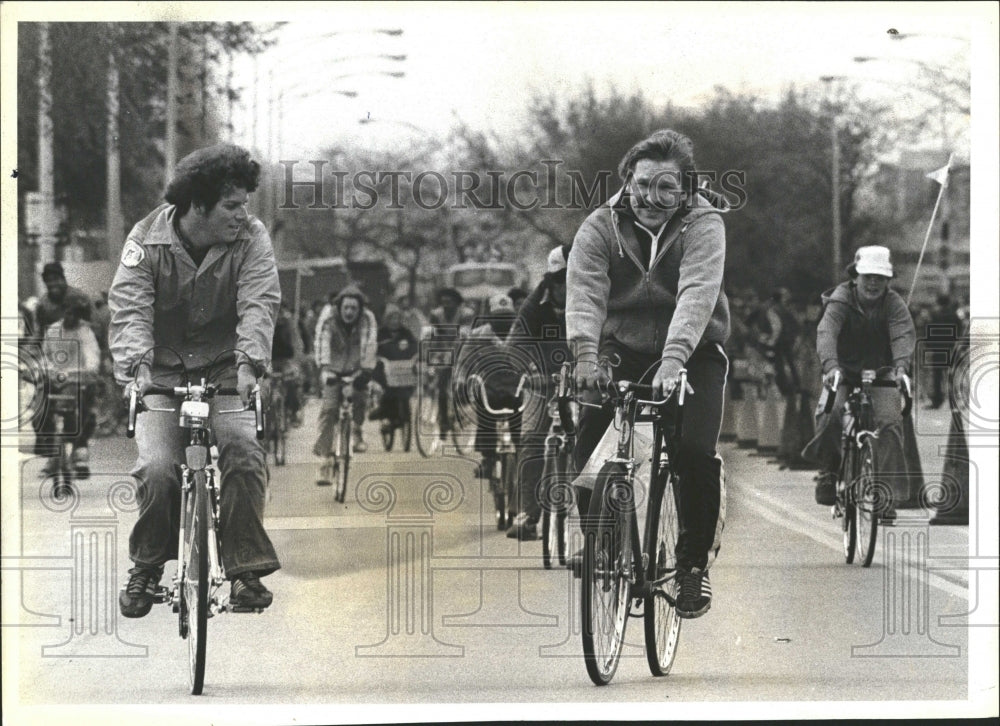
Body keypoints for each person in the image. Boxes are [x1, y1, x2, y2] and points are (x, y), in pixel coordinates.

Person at [110, 143, 281, 618]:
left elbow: (260, 302)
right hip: (160, 373)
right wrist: (139, 369)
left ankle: (245, 568)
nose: (242, 214)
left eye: (245, 203)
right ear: (196, 206)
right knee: (158, 467)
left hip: (229, 368)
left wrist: (249, 365)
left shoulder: (251, 237)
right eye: (232, 205)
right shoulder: (145, 239)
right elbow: (129, 309)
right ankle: (146, 566)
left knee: (244, 453)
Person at [567, 129, 730, 619]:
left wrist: (676, 358)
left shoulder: (705, 223)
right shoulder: (599, 227)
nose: (651, 199)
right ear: (627, 183)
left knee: (694, 453)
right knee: (586, 452)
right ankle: (610, 548)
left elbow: (698, 291)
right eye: (642, 186)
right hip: (622, 349)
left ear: (685, 190)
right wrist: (585, 357)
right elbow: (586, 294)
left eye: (665, 188)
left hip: (693, 350)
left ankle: (690, 567)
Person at [802, 246, 916, 510]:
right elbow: (827, 332)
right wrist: (831, 366)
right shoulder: (840, 300)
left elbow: (902, 335)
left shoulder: (894, 304)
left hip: (881, 371)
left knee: (890, 421)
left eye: (880, 278)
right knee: (829, 414)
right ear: (855, 277)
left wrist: (901, 368)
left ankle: (885, 490)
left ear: (888, 281)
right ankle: (829, 470)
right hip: (842, 370)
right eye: (868, 276)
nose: (873, 283)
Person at [505, 245, 571, 540]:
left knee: (589, 440)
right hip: (540, 379)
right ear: (552, 282)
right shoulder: (533, 305)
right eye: (565, 281)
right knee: (530, 439)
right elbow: (515, 342)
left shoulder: (597, 295)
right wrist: (530, 371)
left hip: (580, 378)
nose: (572, 287)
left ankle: (586, 520)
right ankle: (528, 516)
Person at [455, 294, 523, 484]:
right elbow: (463, 362)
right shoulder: (477, 336)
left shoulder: (521, 333)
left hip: (516, 388)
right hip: (489, 388)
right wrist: (461, 381)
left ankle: (521, 458)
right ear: (490, 318)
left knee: (521, 421)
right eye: (499, 318)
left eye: (507, 318)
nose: (504, 323)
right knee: (486, 416)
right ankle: (488, 459)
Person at [313, 285, 379, 471]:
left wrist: (366, 370)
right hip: (332, 367)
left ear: (360, 310)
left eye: (354, 309)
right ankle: (325, 457)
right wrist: (324, 369)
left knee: (360, 398)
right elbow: (321, 341)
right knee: (329, 410)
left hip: (356, 367)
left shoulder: (367, 318)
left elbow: (370, 344)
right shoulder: (328, 317)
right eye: (346, 308)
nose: (349, 312)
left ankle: (357, 430)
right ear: (339, 307)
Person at [39, 298, 101, 477]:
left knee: (84, 413)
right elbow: (45, 355)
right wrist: (48, 368)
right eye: (67, 312)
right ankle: (52, 454)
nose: (70, 317)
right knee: (41, 409)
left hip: (78, 381)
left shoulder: (84, 332)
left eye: (74, 314)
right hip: (55, 380)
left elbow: (92, 356)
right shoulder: (53, 331)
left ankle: (80, 449)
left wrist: (89, 369)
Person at [426, 287, 475, 446]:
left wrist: (453, 352)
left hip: (463, 351)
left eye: (449, 302)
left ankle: (465, 411)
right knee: (441, 386)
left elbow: (464, 336)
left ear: (456, 302)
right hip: (445, 352)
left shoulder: (466, 314)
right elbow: (433, 336)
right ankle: (444, 422)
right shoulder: (436, 314)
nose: (446, 305)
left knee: (462, 384)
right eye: (443, 302)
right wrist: (431, 353)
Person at [370, 304, 419, 440]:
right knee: (385, 388)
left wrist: (416, 357)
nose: (394, 321)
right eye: (392, 318)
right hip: (385, 367)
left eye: (397, 318)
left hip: (403, 368)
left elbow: (415, 347)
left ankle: (403, 412)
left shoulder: (406, 333)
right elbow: (372, 349)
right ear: (387, 319)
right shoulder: (380, 334)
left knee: (408, 386)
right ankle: (384, 413)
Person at [271, 303, 304, 427]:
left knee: (292, 383)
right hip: (268, 360)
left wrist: (296, 363)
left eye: (280, 311)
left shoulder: (289, 324)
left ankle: (293, 411)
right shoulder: (265, 321)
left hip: (286, 360)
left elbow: (297, 343)